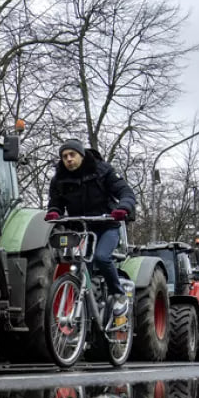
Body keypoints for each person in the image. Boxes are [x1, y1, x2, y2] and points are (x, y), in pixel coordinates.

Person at [45, 139, 137, 326]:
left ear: (81, 155)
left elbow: (126, 193)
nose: (68, 159)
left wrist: (123, 208)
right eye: (64, 156)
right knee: (76, 265)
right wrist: (54, 212)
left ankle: (118, 296)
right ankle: (85, 313)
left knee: (102, 257)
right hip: (81, 229)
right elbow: (55, 202)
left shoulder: (103, 171)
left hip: (107, 225)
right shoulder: (59, 179)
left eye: (72, 155)